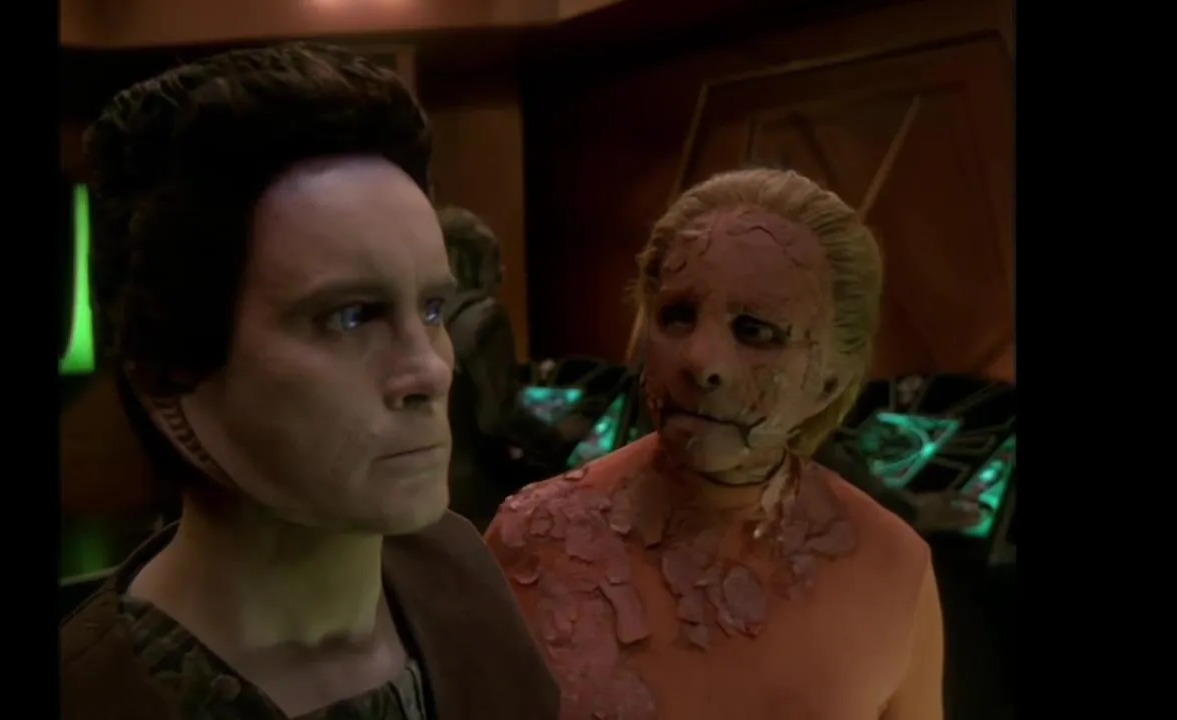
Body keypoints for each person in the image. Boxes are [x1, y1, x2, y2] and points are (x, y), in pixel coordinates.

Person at [59, 43, 557, 720]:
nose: (432, 370)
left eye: (432, 309)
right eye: (351, 317)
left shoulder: (457, 572)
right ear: (170, 366)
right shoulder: (92, 695)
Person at [484, 168, 943, 719]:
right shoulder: (533, 538)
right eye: (678, 316)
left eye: (755, 330)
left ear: (831, 379)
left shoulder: (891, 567)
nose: (700, 360)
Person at [438, 207, 600, 529]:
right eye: (494, 260)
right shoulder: (486, 318)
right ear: (474, 263)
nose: (502, 273)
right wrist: (559, 436)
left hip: (440, 487)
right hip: (479, 495)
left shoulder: (429, 315)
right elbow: (498, 417)